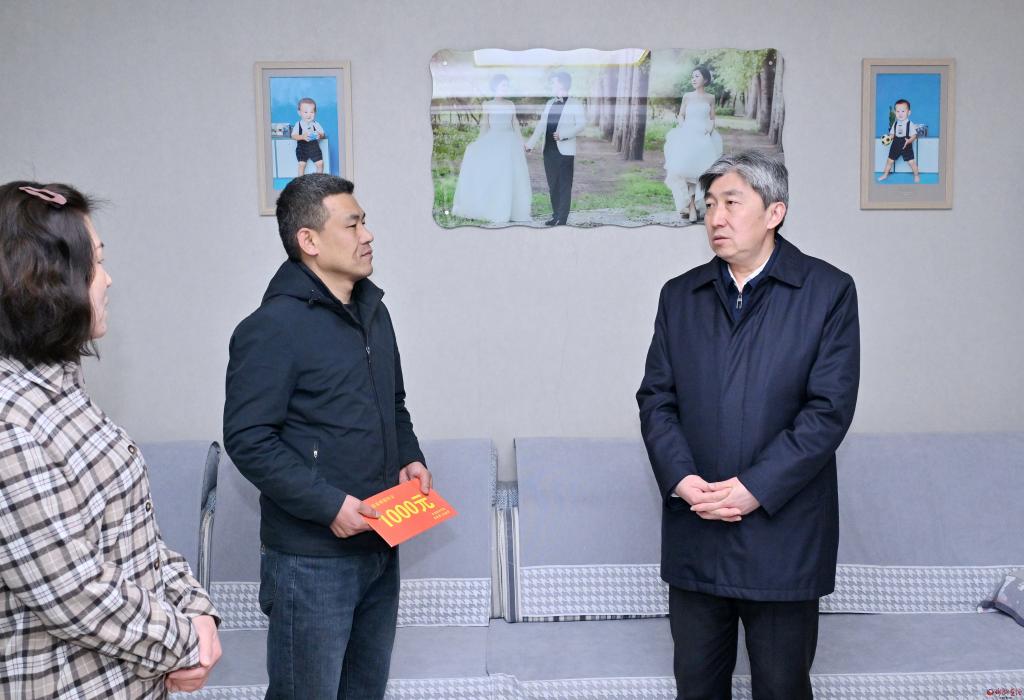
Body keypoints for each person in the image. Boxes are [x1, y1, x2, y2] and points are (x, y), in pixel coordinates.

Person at [637, 151, 860, 700]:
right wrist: (681, 479)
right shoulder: (680, 296)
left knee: (782, 688)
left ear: (774, 212)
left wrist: (755, 487)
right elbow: (657, 399)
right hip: (697, 530)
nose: (716, 217)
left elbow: (828, 410)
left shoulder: (827, 292)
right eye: (710, 203)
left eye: (732, 203)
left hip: (783, 538)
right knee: (696, 687)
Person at [0, 181, 222, 697]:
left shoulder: (63, 389)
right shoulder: (11, 422)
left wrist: (196, 608)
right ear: (47, 281)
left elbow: (134, 536)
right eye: (96, 263)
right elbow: (72, 592)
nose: (108, 279)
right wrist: (184, 641)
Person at [223, 173, 430, 699]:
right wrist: (329, 504)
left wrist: (409, 456)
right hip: (310, 561)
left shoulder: (374, 313)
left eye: (365, 222)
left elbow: (393, 403)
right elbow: (248, 439)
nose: (368, 235)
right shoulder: (271, 327)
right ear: (309, 241)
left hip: (380, 543)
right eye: (353, 224)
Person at [451, 74, 532, 224]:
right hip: (494, 140)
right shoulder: (488, 104)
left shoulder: (510, 104)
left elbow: (515, 123)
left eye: (507, 86)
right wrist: (478, 144)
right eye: (503, 85)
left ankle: (510, 209)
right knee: (495, 175)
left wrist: (522, 142)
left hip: (509, 143)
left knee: (509, 176)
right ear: (495, 87)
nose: (505, 88)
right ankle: (493, 207)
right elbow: (485, 125)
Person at [663, 65, 723, 222]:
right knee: (683, 170)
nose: (693, 79)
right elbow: (681, 115)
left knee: (700, 172)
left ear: (705, 79)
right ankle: (690, 207)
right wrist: (683, 127)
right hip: (687, 135)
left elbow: (712, 118)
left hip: (703, 137)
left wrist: (709, 130)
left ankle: (696, 205)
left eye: (697, 76)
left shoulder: (710, 98)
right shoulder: (687, 96)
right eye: (692, 76)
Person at [525, 71, 586, 226]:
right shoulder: (549, 103)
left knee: (564, 185)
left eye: (554, 82)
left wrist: (563, 135)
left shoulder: (575, 104)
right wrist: (530, 144)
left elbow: (581, 125)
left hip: (565, 151)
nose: (551, 85)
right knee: (553, 185)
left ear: (562, 84)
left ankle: (562, 219)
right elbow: (541, 125)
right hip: (548, 150)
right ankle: (555, 215)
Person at [877, 98, 921, 183]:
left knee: (911, 162)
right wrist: (889, 138)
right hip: (896, 144)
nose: (900, 114)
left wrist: (909, 141)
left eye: (903, 111)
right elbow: (892, 134)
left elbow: (914, 136)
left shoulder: (910, 124)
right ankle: (885, 174)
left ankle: (916, 175)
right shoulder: (895, 123)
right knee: (889, 161)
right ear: (895, 112)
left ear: (909, 112)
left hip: (906, 143)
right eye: (898, 111)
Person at [292, 97, 326, 177]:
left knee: (320, 163)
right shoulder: (298, 124)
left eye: (311, 112)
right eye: (305, 112)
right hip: (302, 148)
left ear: (315, 113)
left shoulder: (316, 124)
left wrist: (319, 135)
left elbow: (322, 134)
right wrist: (302, 136)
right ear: (299, 113)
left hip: (314, 147)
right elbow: (294, 136)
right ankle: (300, 181)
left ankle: (318, 179)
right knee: (301, 164)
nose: (309, 115)